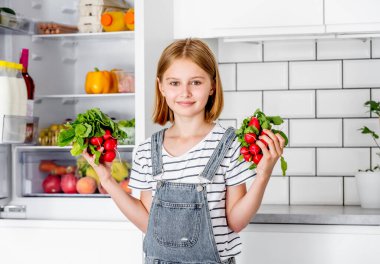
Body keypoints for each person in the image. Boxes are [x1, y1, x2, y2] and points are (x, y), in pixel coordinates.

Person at [82, 38, 285, 264]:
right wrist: (107, 180)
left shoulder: (231, 145)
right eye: (174, 83)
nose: (185, 92)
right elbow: (148, 223)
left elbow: (236, 222)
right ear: (161, 87)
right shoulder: (147, 150)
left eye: (196, 82)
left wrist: (263, 175)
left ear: (212, 86)